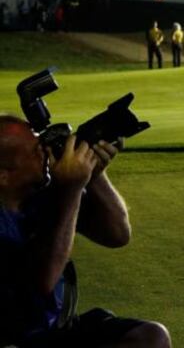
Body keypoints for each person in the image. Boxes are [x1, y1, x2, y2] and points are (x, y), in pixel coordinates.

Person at [0, 115, 172, 347]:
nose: (47, 153)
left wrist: (94, 176)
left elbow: (117, 234)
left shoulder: (39, 195)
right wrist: (71, 189)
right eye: (36, 151)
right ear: (4, 175)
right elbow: (42, 280)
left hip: (50, 331)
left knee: (151, 337)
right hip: (10, 337)